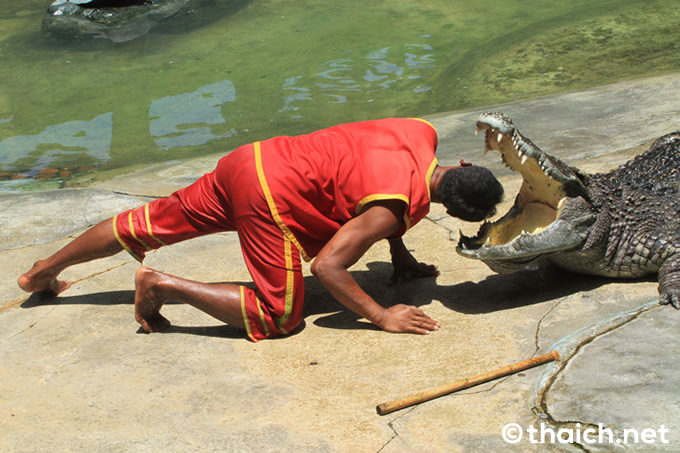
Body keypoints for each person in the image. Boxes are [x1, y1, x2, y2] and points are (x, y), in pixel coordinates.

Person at [18, 118, 503, 342]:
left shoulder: (420, 132)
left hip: (253, 158)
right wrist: (380, 316)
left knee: (151, 221)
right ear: (450, 210)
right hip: (270, 196)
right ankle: (161, 284)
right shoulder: (393, 211)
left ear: (458, 165)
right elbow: (329, 266)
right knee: (280, 316)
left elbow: (384, 188)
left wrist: (400, 254)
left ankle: (42, 271)